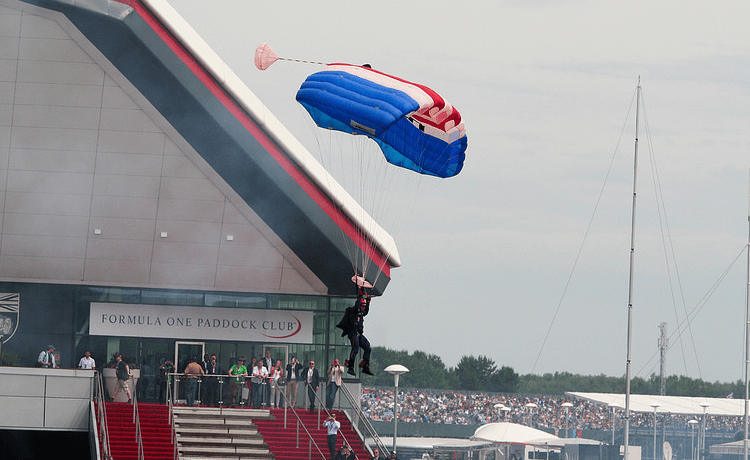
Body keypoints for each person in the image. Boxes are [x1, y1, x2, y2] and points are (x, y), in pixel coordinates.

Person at [336, 287, 373, 375]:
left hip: (359, 334)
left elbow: (366, 311)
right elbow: (356, 307)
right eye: (362, 306)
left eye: (363, 307)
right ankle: (351, 367)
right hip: (352, 333)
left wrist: (367, 302)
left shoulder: (361, 312)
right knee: (355, 348)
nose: (363, 308)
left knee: (367, 348)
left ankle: (365, 366)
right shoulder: (353, 311)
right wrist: (360, 296)